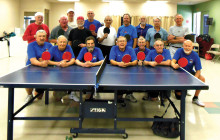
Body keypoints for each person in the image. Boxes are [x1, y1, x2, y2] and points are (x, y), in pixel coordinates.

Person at [171, 40, 205, 107]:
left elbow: (198, 70)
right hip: (178, 73)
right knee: (179, 97)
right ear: (183, 46)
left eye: (189, 46)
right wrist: (174, 65)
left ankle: (195, 98)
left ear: (192, 47)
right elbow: (173, 61)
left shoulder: (195, 55)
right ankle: (177, 88)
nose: (187, 47)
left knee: (202, 79)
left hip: (189, 72)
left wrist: (195, 79)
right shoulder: (179, 51)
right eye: (186, 46)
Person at [25, 30, 52, 104]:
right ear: (36, 37)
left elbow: (50, 57)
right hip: (32, 68)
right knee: (28, 79)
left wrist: (44, 60)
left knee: (39, 97)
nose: (42, 38)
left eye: (43, 36)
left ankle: (37, 90)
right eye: (40, 36)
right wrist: (41, 63)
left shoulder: (49, 45)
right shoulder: (31, 45)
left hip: (45, 69)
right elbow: (33, 60)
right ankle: (29, 95)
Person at [48, 35, 78, 102]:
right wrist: (58, 63)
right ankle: (59, 92)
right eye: (60, 42)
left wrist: (66, 64)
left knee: (75, 77)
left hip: (67, 69)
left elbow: (73, 59)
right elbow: (47, 61)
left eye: (64, 42)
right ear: (57, 42)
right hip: (56, 70)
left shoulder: (68, 47)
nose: (62, 44)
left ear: (66, 43)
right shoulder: (53, 48)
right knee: (57, 99)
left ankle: (72, 93)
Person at [109, 36, 138, 103]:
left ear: (126, 43)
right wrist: (119, 63)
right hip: (117, 70)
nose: (122, 43)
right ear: (117, 43)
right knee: (118, 98)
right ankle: (119, 94)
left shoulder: (130, 49)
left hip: (129, 70)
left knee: (131, 80)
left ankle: (129, 94)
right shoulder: (113, 48)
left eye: (123, 41)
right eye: (120, 41)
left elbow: (135, 61)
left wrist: (128, 64)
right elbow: (111, 61)